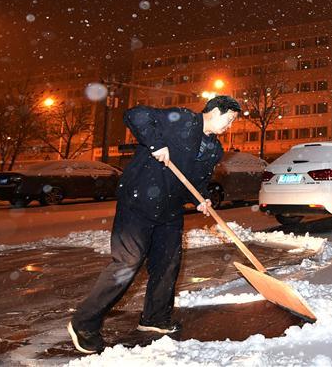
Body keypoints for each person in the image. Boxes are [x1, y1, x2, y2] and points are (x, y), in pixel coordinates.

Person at [67, 95, 241, 354]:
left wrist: (201, 198)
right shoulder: (182, 120)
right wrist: (156, 143)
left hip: (170, 210)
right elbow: (135, 115)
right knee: (127, 263)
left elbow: (197, 180)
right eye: (230, 119)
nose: (230, 125)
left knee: (168, 264)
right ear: (215, 111)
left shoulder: (214, 149)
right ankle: (84, 323)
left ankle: (155, 318)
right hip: (139, 201)